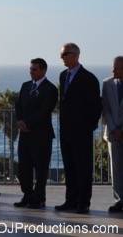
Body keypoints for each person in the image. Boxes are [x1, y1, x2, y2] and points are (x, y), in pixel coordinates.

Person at [55, 43, 101, 214]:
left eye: (65, 54)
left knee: (83, 167)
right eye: (61, 55)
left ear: (75, 55)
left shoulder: (88, 78)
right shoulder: (62, 76)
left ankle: (83, 202)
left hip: (81, 132)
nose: (62, 58)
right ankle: (70, 200)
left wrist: (87, 127)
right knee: (70, 167)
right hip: (66, 131)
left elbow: (96, 107)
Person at [14, 58, 58, 209]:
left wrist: (28, 124)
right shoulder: (25, 86)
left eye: (34, 69)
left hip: (41, 135)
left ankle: (39, 198)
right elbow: (18, 105)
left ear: (43, 70)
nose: (31, 71)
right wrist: (20, 121)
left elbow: (45, 111)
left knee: (40, 168)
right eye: (30, 69)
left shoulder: (50, 89)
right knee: (23, 168)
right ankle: (27, 194)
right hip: (25, 135)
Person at [102, 56, 123, 213]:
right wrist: (114, 129)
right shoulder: (106, 83)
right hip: (112, 133)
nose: (113, 70)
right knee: (115, 168)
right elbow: (106, 109)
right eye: (113, 67)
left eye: (116, 68)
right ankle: (119, 200)